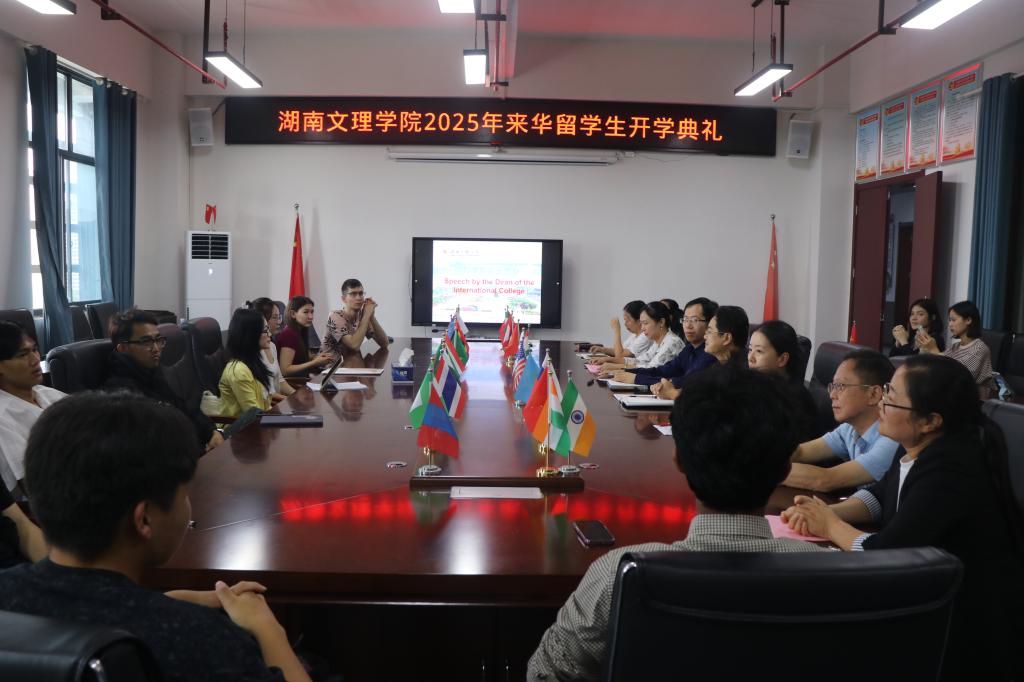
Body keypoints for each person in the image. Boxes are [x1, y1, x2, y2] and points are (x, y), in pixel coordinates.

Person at [527, 366, 827, 681]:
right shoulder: (829, 575)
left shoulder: (618, 576)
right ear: (785, 471)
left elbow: (545, 674)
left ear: (679, 461)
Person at [0, 391, 312, 682]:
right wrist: (267, 628)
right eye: (184, 494)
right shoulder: (200, 639)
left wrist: (166, 601)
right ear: (145, 519)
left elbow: (89, 611)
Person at [782, 355, 1024, 680]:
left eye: (891, 397)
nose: (881, 403)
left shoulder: (951, 470)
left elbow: (886, 554)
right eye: (886, 390)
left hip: (962, 629)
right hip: (926, 596)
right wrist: (824, 513)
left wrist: (830, 525)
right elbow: (879, 496)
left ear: (930, 421)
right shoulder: (912, 445)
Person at [103, 309, 220, 454]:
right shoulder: (120, 393)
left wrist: (210, 431)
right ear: (123, 348)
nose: (156, 349)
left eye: (158, 340)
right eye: (146, 342)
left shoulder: (150, 373)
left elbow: (183, 408)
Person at [782, 349, 898, 492]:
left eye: (840, 386)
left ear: (873, 394)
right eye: (833, 386)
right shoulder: (849, 429)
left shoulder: (891, 440)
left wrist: (765, 470)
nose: (832, 395)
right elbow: (800, 453)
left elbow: (825, 480)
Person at [0, 321, 66, 493]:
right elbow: (33, 483)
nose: (36, 359)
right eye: (23, 355)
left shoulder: (48, 394)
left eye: (35, 350)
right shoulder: (3, 418)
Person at [649, 304, 748, 401]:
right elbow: (699, 391)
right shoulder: (719, 366)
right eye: (685, 319)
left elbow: (713, 404)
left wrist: (672, 393)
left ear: (726, 338)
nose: (705, 336)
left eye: (709, 331)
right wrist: (668, 389)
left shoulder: (742, 371)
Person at [621, 297, 717, 393]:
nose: (688, 325)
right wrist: (626, 372)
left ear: (710, 324)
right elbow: (664, 371)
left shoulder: (711, 353)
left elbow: (686, 382)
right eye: (685, 319)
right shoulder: (689, 349)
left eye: (694, 320)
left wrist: (635, 378)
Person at [747, 320, 820, 441]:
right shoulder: (755, 385)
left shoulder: (794, 398)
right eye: (750, 350)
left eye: (759, 351)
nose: (750, 358)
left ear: (782, 359)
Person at [219, 309, 282, 419]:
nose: (270, 334)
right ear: (251, 335)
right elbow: (253, 414)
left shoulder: (254, 362)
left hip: (260, 422)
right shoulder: (239, 371)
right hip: (240, 428)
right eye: (265, 330)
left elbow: (264, 405)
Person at [918, 300, 994, 388]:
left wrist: (934, 349)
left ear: (968, 320)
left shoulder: (979, 348)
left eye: (953, 320)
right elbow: (939, 368)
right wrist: (924, 348)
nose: (950, 324)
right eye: (949, 320)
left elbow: (960, 377)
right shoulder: (955, 346)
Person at [601, 301, 684, 378]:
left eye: (645, 323)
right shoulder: (658, 341)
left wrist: (617, 368)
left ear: (661, 322)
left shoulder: (672, 342)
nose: (642, 328)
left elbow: (651, 369)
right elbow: (640, 361)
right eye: (641, 324)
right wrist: (611, 360)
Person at [321, 279, 389, 361]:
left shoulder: (362, 316)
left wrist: (372, 317)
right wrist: (366, 315)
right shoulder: (335, 316)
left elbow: (384, 343)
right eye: (353, 294)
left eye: (361, 293)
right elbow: (354, 345)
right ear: (344, 299)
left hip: (350, 363)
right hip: (331, 366)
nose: (358, 297)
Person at [249, 298, 296, 397]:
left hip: (276, 401)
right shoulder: (251, 353)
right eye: (274, 317)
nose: (279, 322)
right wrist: (292, 400)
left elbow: (280, 381)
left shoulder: (271, 346)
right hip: (268, 404)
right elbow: (266, 395)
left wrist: (297, 396)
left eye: (279, 317)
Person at [278, 296, 333, 377]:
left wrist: (318, 357)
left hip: (302, 378)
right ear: (293, 314)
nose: (311, 316)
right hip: (293, 382)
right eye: (306, 312)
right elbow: (285, 370)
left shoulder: (300, 331)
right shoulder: (288, 334)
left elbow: (300, 357)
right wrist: (314, 362)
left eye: (312, 312)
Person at [585, 300, 651, 361]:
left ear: (639, 321)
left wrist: (616, 330)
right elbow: (619, 351)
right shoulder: (634, 335)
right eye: (625, 320)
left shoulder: (645, 337)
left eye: (627, 321)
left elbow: (619, 355)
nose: (625, 324)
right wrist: (602, 349)